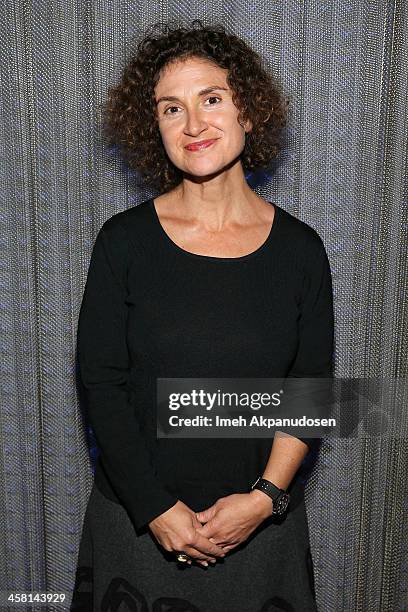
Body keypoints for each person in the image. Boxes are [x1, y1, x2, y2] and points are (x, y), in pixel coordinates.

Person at [71, 19, 334, 612]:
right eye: (170, 108)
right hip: (140, 531)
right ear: (152, 127)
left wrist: (266, 499)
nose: (193, 125)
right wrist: (156, 510)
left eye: (211, 99)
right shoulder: (122, 243)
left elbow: (313, 390)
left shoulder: (302, 249)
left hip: (263, 534)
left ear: (248, 111)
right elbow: (100, 386)